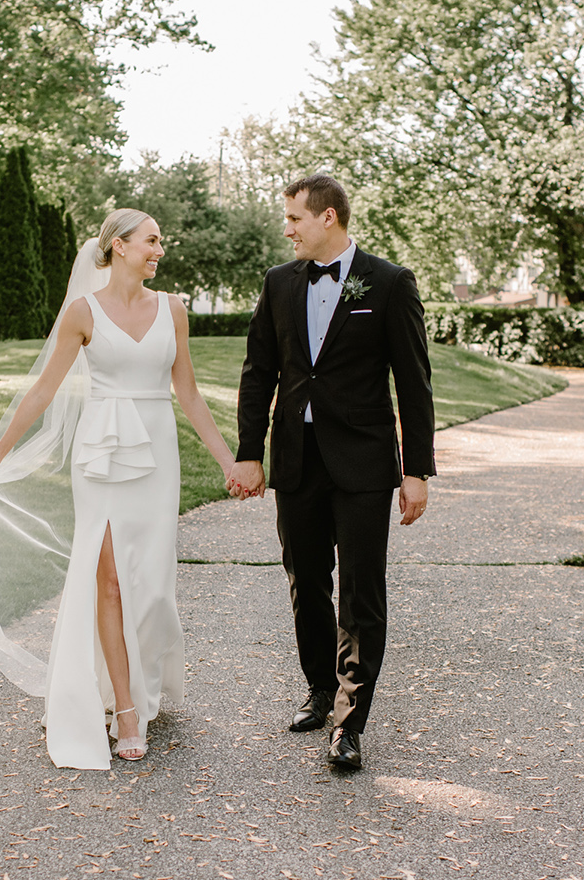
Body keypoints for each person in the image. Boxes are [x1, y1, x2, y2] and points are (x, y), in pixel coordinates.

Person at [0, 209, 235, 770]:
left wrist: (230, 462)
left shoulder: (173, 310)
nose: (161, 249)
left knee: (153, 585)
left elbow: (189, 393)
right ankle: (125, 711)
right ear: (118, 246)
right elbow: (41, 392)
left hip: (156, 453)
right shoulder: (82, 313)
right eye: (152, 240)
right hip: (102, 456)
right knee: (106, 580)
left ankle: (140, 681)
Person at [226, 174, 435, 771]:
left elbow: (414, 383)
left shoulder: (390, 283)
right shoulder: (278, 282)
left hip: (365, 461)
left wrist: (415, 469)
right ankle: (320, 689)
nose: (286, 228)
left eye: (294, 217)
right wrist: (250, 451)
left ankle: (349, 722)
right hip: (297, 457)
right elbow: (257, 371)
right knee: (306, 579)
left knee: (361, 591)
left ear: (329, 218)